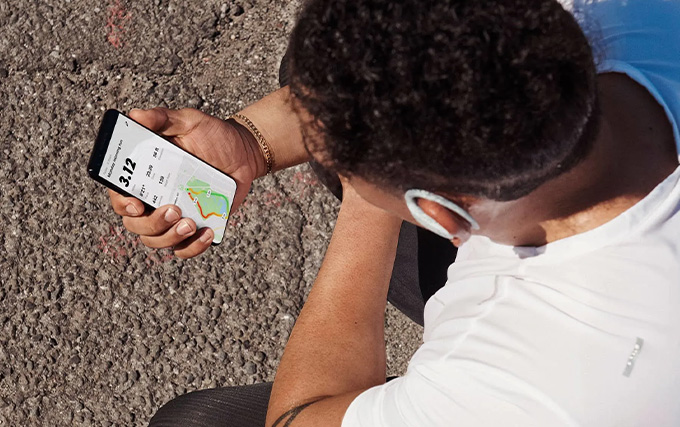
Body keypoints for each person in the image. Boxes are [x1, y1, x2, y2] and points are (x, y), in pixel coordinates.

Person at [108, 0, 680, 425]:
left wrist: (364, 185)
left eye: (341, 165)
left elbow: (297, 418)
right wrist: (250, 142)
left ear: (443, 214)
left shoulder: (516, 387)